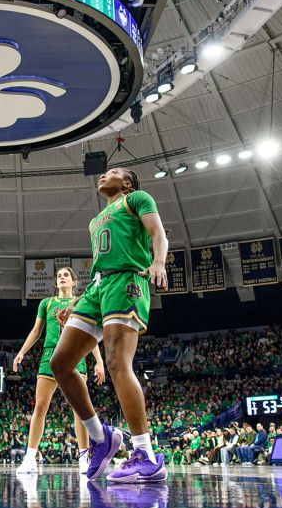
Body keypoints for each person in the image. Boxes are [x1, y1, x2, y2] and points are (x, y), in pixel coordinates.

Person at [48, 167, 168, 483]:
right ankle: (100, 437)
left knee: (116, 362)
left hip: (127, 280)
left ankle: (145, 454)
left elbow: (158, 233)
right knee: (59, 364)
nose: (104, 175)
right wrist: (78, 301)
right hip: (97, 288)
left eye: (112, 172)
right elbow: (102, 262)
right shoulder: (95, 219)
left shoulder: (137, 198)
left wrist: (158, 262)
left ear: (126, 183)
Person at [13, 267, 105, 475]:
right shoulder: (46, 303)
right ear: (56, 283)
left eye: (66, 275)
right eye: (59, 276)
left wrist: (99, 361)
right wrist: (21, 353)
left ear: (74, 282)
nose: (62, 278)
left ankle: (84, 456)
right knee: (40, 406)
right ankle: (30, 458)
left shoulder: (81, 302)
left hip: (74, 353)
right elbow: (36, 331)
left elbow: (90, 332)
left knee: (79, 409)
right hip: (49, 355)